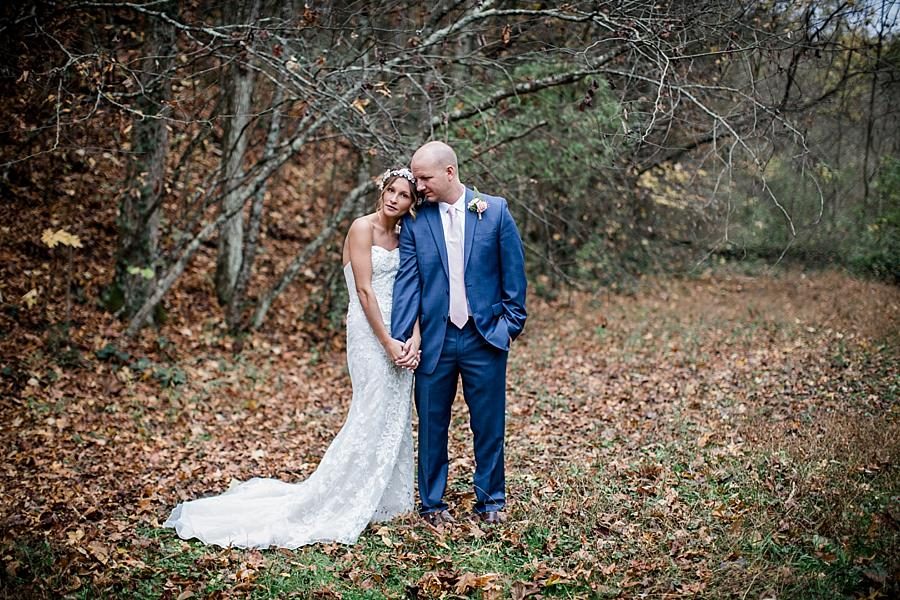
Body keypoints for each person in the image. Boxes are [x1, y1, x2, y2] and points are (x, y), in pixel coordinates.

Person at [163, 168, 420, 548]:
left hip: (399, 330)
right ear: (383, 189)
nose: (394, 198)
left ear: (412, 203)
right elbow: (364, 292)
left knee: (395, 413)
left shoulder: (405, 236)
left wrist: (412, 338)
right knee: (370, 410)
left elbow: (416, 287)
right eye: (391, 190)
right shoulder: (361, 228)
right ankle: (339, 498)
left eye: (404, 195)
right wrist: (387, 343)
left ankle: (388, 499)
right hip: (370, 332)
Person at [391, 141, 527, 525]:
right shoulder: (417, 220)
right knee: (432, 425)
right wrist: (406, 336)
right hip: (435, 339)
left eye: (424, 178)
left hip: (485, 338)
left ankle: (490, 502)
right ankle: (432, 504)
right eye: (415, 178)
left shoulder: (494, 211)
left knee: (488, 424)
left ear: (450, 173)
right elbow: (408, 282)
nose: (418, 187)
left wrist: (509, 328)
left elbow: (514, 277)